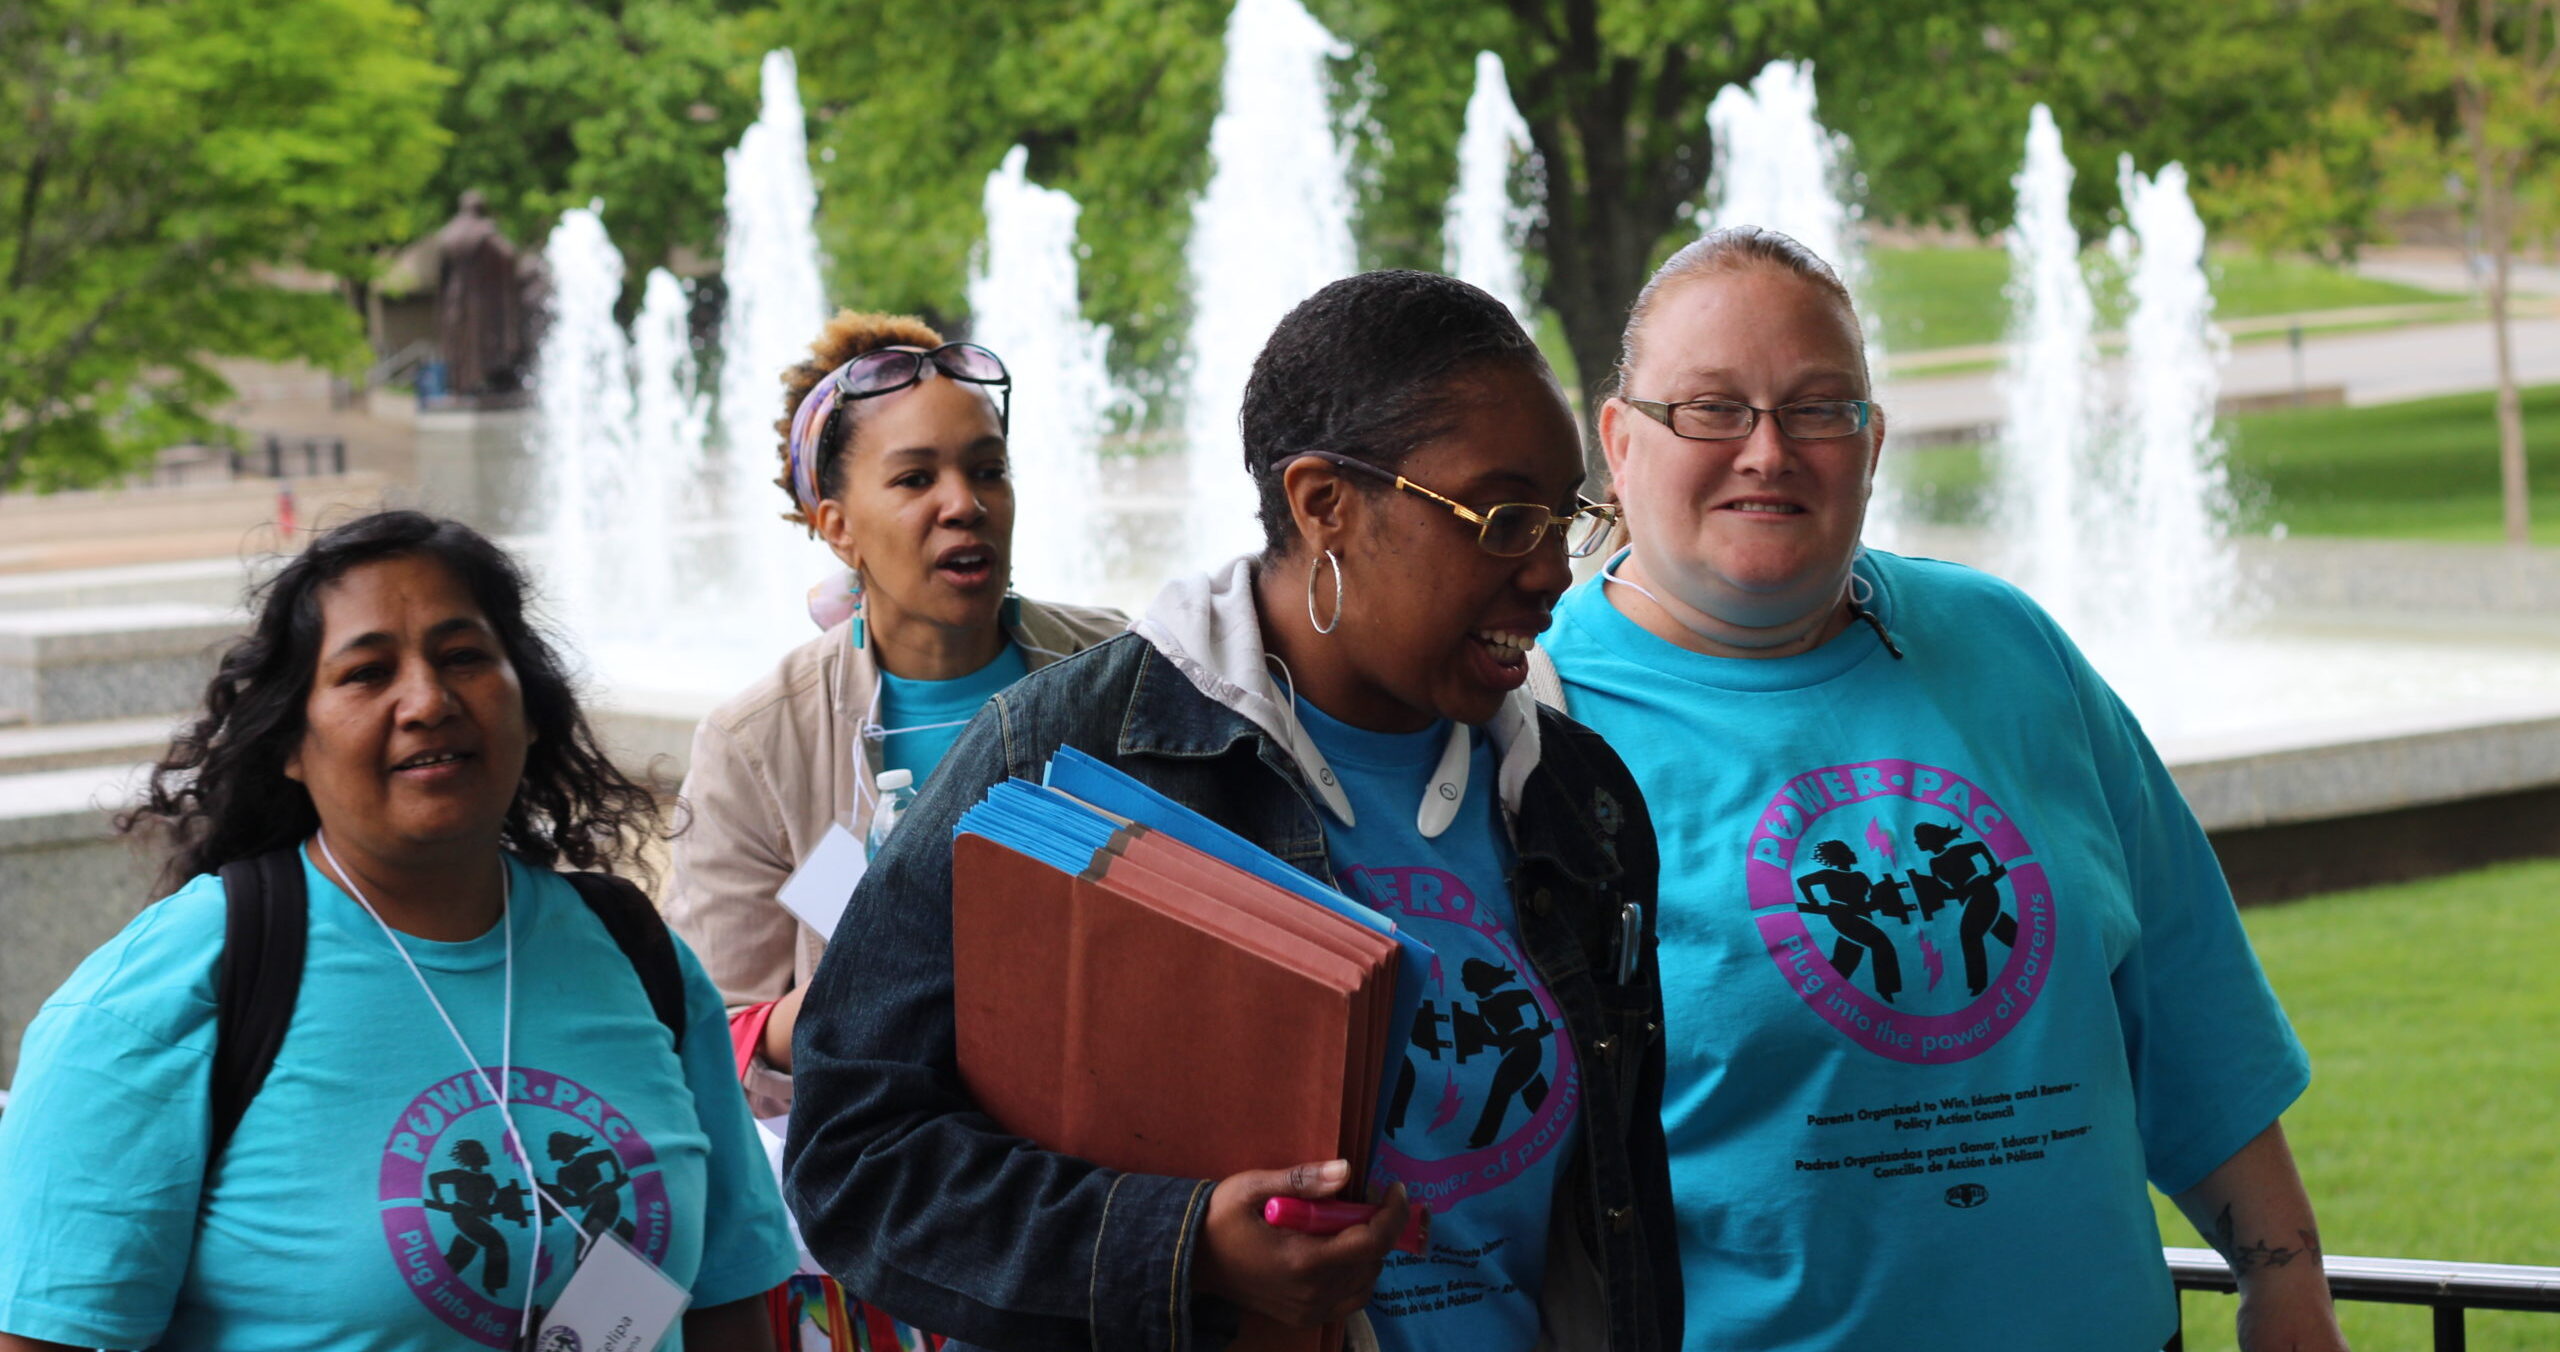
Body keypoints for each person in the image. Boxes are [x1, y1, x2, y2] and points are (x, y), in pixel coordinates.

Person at [785, 271, 1681, 1352]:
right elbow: (854, 1153)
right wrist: (1178, 1244)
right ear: (1322, 503)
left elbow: (1614, 1208)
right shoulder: (1061, 755)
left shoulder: (1577, 801)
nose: (1549, 573)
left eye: (1564, 518)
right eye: (1500, 519)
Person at [1531, 226, 2345, 1351]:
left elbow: (2186, 1000)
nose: (1767, 450)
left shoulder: (2010, 649)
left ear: (1870, 445)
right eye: (1711, 407)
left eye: (1818, 407)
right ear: (1619, 442)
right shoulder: (1536, 730)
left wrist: (2284, 1284)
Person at [0, 511, 797, 1351]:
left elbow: (725, 1299)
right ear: (290, 743)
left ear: (529, 705)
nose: (427, 701)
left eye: (463, 658)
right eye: (366, 672)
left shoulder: (636, 958)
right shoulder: (164, 995)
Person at [663, 311, 1124, 1118]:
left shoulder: (1115, 668)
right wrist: (837, 1006)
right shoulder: (758, 745)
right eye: (916, 480)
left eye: (988, 470)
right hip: (894, 1160)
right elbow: (708, 1031)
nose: (964, 505)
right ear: (837, 528)